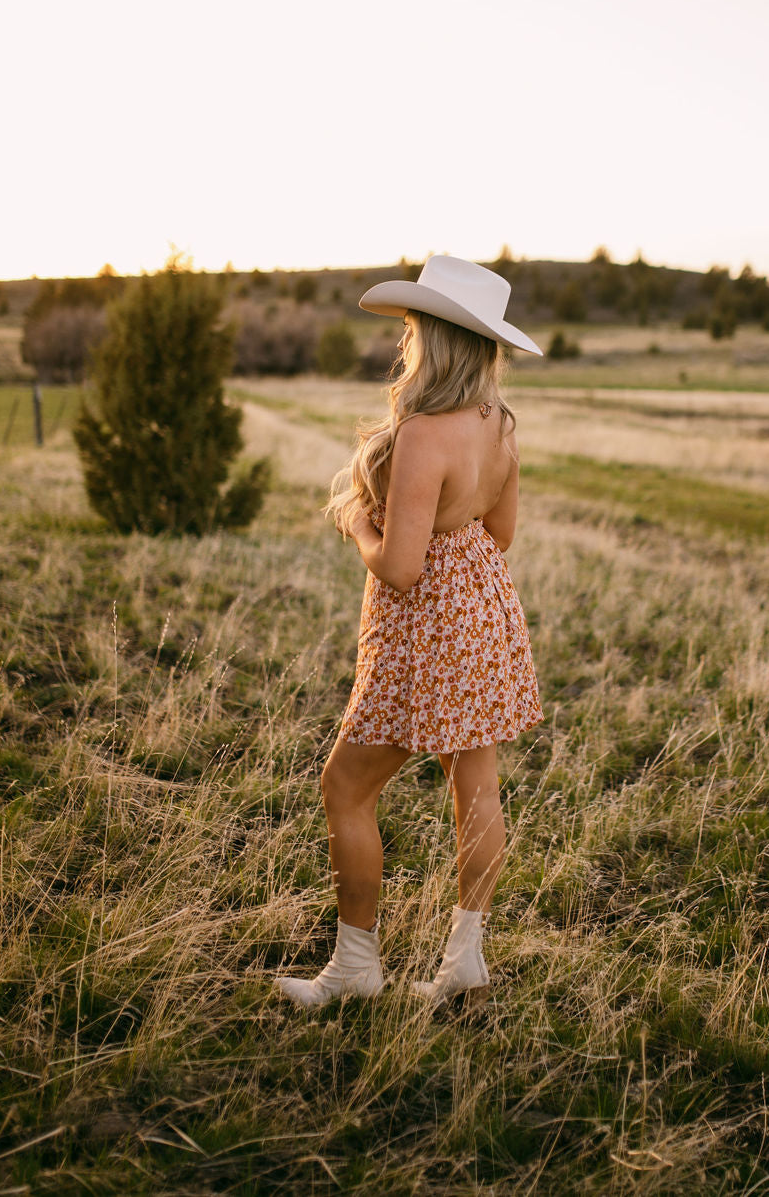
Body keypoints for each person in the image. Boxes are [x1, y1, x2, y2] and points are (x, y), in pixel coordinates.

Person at [275, 254, 545, 1009]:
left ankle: (356, 967)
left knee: (344, 788)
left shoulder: (426, 432)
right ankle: (466, 959)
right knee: (477, 785)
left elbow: (399, 568)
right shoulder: (500, 424)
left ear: (432, 335)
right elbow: (504, 529)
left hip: (426, 631)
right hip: (483, 615)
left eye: (413, 328)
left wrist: (360, 521)